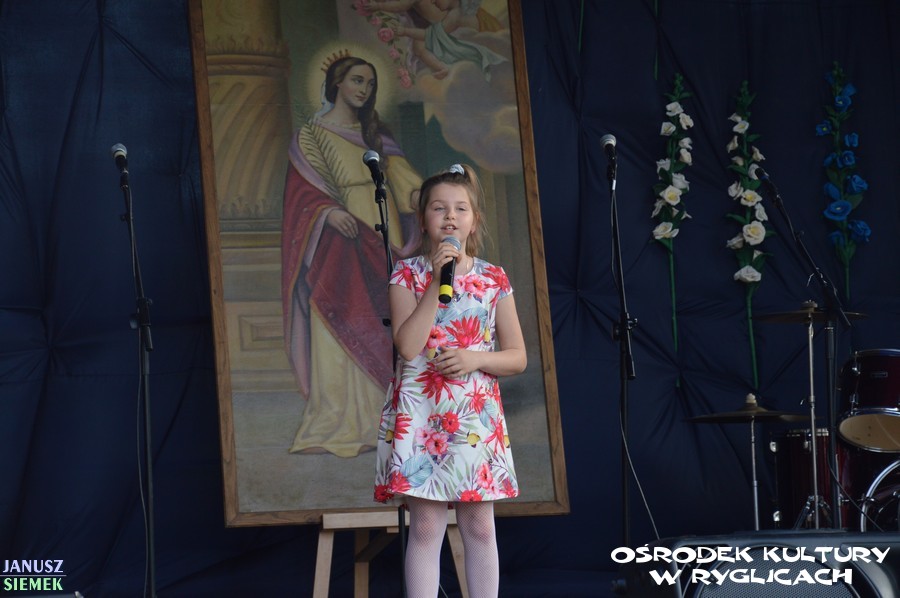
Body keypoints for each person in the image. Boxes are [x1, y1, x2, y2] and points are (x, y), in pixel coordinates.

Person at [373, 164, 526, 597]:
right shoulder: (406, 274)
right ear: (423, 220)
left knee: (479, 525)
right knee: (425, 526)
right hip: (422, 414)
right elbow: (408, 346)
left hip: (474, 416)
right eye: (439, 208)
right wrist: (434, 285)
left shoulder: (493, 278)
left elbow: (517, 357)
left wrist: (475, 357)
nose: (450, 217)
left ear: (474, 220)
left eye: (461, 208)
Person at [282, 54, 422, 457]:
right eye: (357, 80)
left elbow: (405, 183)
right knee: (342, 313)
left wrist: (430, 198)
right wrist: (328, 213)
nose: (364, 89)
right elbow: (301, 197)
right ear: (337, 83)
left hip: (384, 230)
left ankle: (390, 418)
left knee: (387, 318)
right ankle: (341, 421)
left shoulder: (376, 134)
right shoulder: (310, 137)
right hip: (339, 239)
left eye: (370, 84)